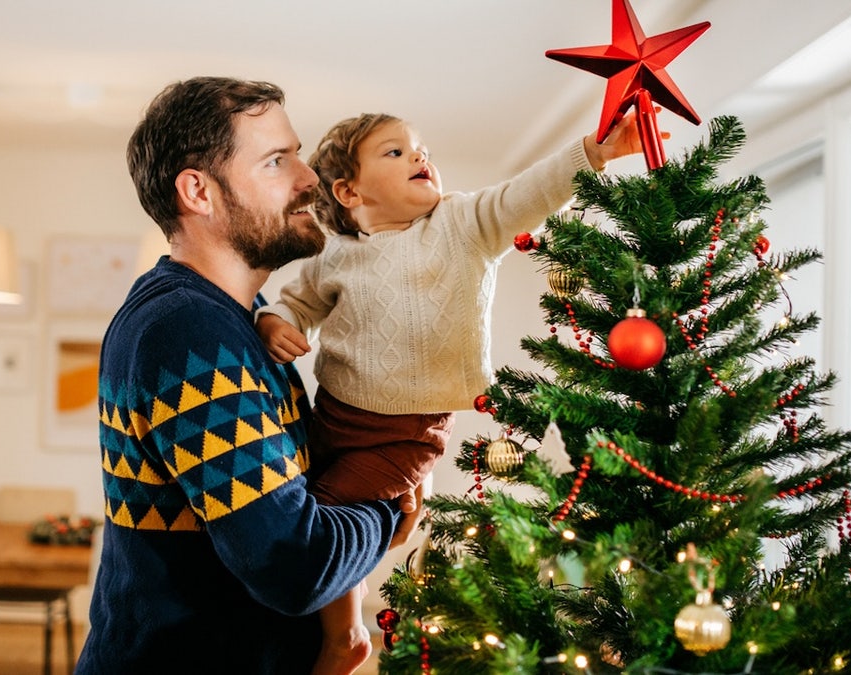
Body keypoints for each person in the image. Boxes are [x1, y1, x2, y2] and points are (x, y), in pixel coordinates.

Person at [255, 111, 646, 674]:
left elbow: (525, 194)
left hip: (408, 429)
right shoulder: (331, 253)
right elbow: (295, 303)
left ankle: (346, 637)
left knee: (326, 517)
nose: (419, 157)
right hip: (334, 415)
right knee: (314, 498)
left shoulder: (461, 224)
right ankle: (394, 515)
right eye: (395, 152)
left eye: (420, 148)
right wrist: (273, 322)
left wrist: (595, 151)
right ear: (348, 190)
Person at [75, 77, 422, 675]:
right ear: (198, 192)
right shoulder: (184, 329)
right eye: (276, 160)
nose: (309, 176)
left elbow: (296, 495)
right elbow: (295, 566)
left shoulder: (246, 318)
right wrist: (391, 512)